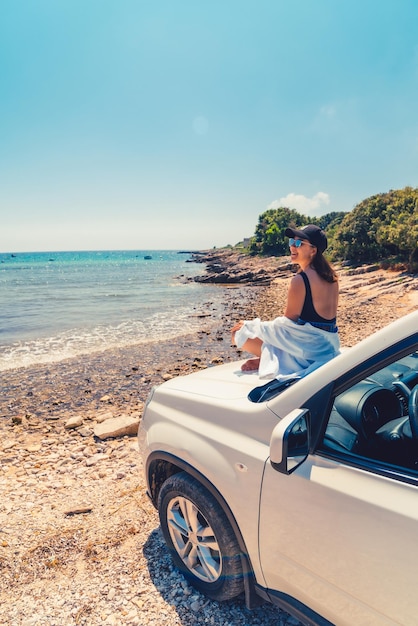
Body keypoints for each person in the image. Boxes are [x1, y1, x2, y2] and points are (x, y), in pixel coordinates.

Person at [231, 224, 340, 380]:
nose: (292, 247)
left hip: (309, 352)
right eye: (291, 242)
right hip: (328, 347)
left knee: (238, 332)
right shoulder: (332, 277)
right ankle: (268, 359)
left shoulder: (301, 280)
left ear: (313, 250)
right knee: (260, 332)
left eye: (298, 243)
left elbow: (286, 327)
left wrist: (254, 326)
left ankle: (269, 360)